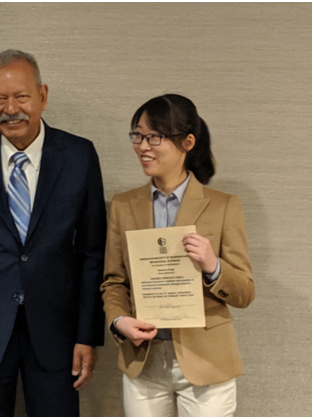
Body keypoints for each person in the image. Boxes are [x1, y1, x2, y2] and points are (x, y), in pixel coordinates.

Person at [0, 49, 107, 416]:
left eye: (21, 96)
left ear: (42, 96)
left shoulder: (79, 156)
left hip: (57, 331)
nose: (10, 108)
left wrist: (87, 335)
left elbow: (93, 251)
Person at [101, 94, 255, 417]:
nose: (143, 146)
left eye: (154, 136)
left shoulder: (224, 205)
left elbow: (244, 292)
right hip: (143, 361)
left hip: (207, 363)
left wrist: (213, 266)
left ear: (187, 142)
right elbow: (113, 282)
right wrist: (119, 320)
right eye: (138, 135)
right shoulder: (123, 206)